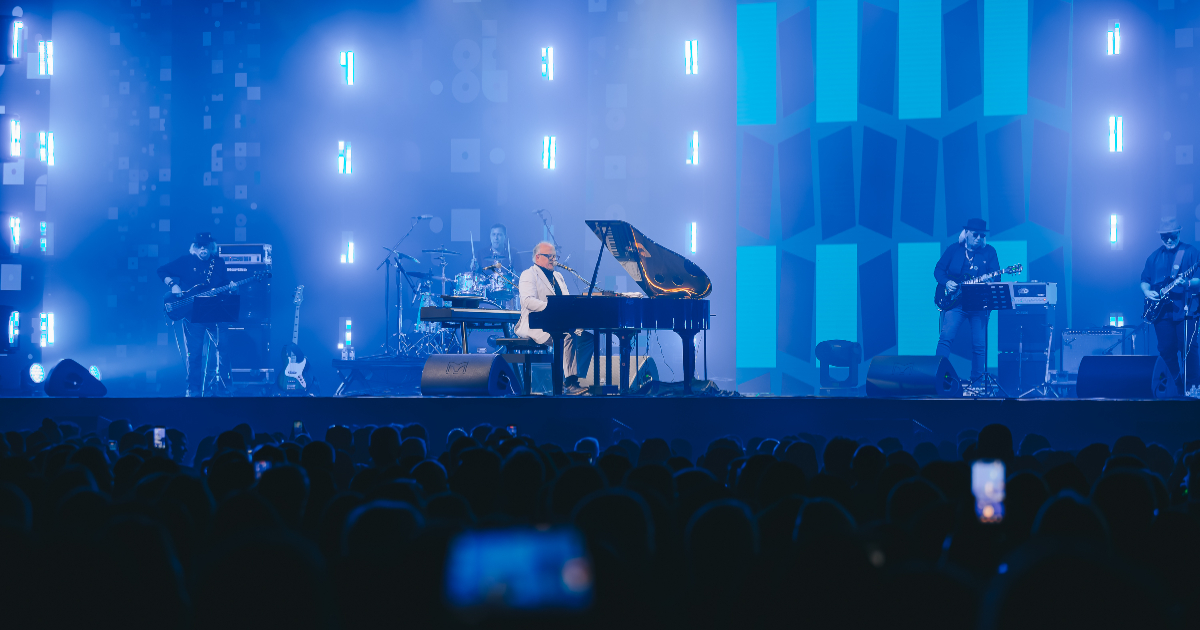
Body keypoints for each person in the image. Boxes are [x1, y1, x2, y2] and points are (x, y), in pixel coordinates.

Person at [156, 232, 236, 397]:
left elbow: (226, 282)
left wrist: (232, 287)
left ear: (211, 247)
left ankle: (225, 386)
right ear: (194, 247)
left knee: (224, 349)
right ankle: (193, 390)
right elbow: (161, 270)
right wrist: (173, 285)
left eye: (206, 246)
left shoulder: (219, 263)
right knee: (194, 353)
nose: (203, 250)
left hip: (215, 312)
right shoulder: (186, 261)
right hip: (192, 315)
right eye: (200, 246)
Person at [514, 241, 594, 395]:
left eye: (554, 256)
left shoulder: (558, 276)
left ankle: (570, 378)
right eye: (548, 256)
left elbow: (565, 300)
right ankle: (571, 383)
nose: (553, 259)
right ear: (537, 257)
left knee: (587, 338)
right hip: (535, 325)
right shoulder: (528, 274)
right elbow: (527, 301)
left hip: (558, 322)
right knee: (567, 336)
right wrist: (551, 308)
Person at [934, 218, 1001, 388]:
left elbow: (997, 276)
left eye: (981, 235)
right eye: (975, 234)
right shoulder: (954, 250)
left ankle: (977, 383)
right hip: (955, 303)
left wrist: (990, 280)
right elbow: (938, 270)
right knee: (945, 338)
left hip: (978, 305)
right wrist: (946, 282)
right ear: (966, 234)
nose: (979, 238)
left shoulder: (989, 252)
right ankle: (936, 377)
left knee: (979, 345)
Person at [1140, 218, 1200, 395]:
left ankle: (1193, 389)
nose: (1168, 240)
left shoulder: (1190, 252)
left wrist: (1187, 283)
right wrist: (1147, 292)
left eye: (1172, 236)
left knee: (1188, 349)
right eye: (1164, 237)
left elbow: (1198, 277)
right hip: (1162, 314)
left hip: (1186, 311)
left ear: (1179, 233)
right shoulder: (1154, 257)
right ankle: (1176, 386)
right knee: (1166, 350)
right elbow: (1144, 280)